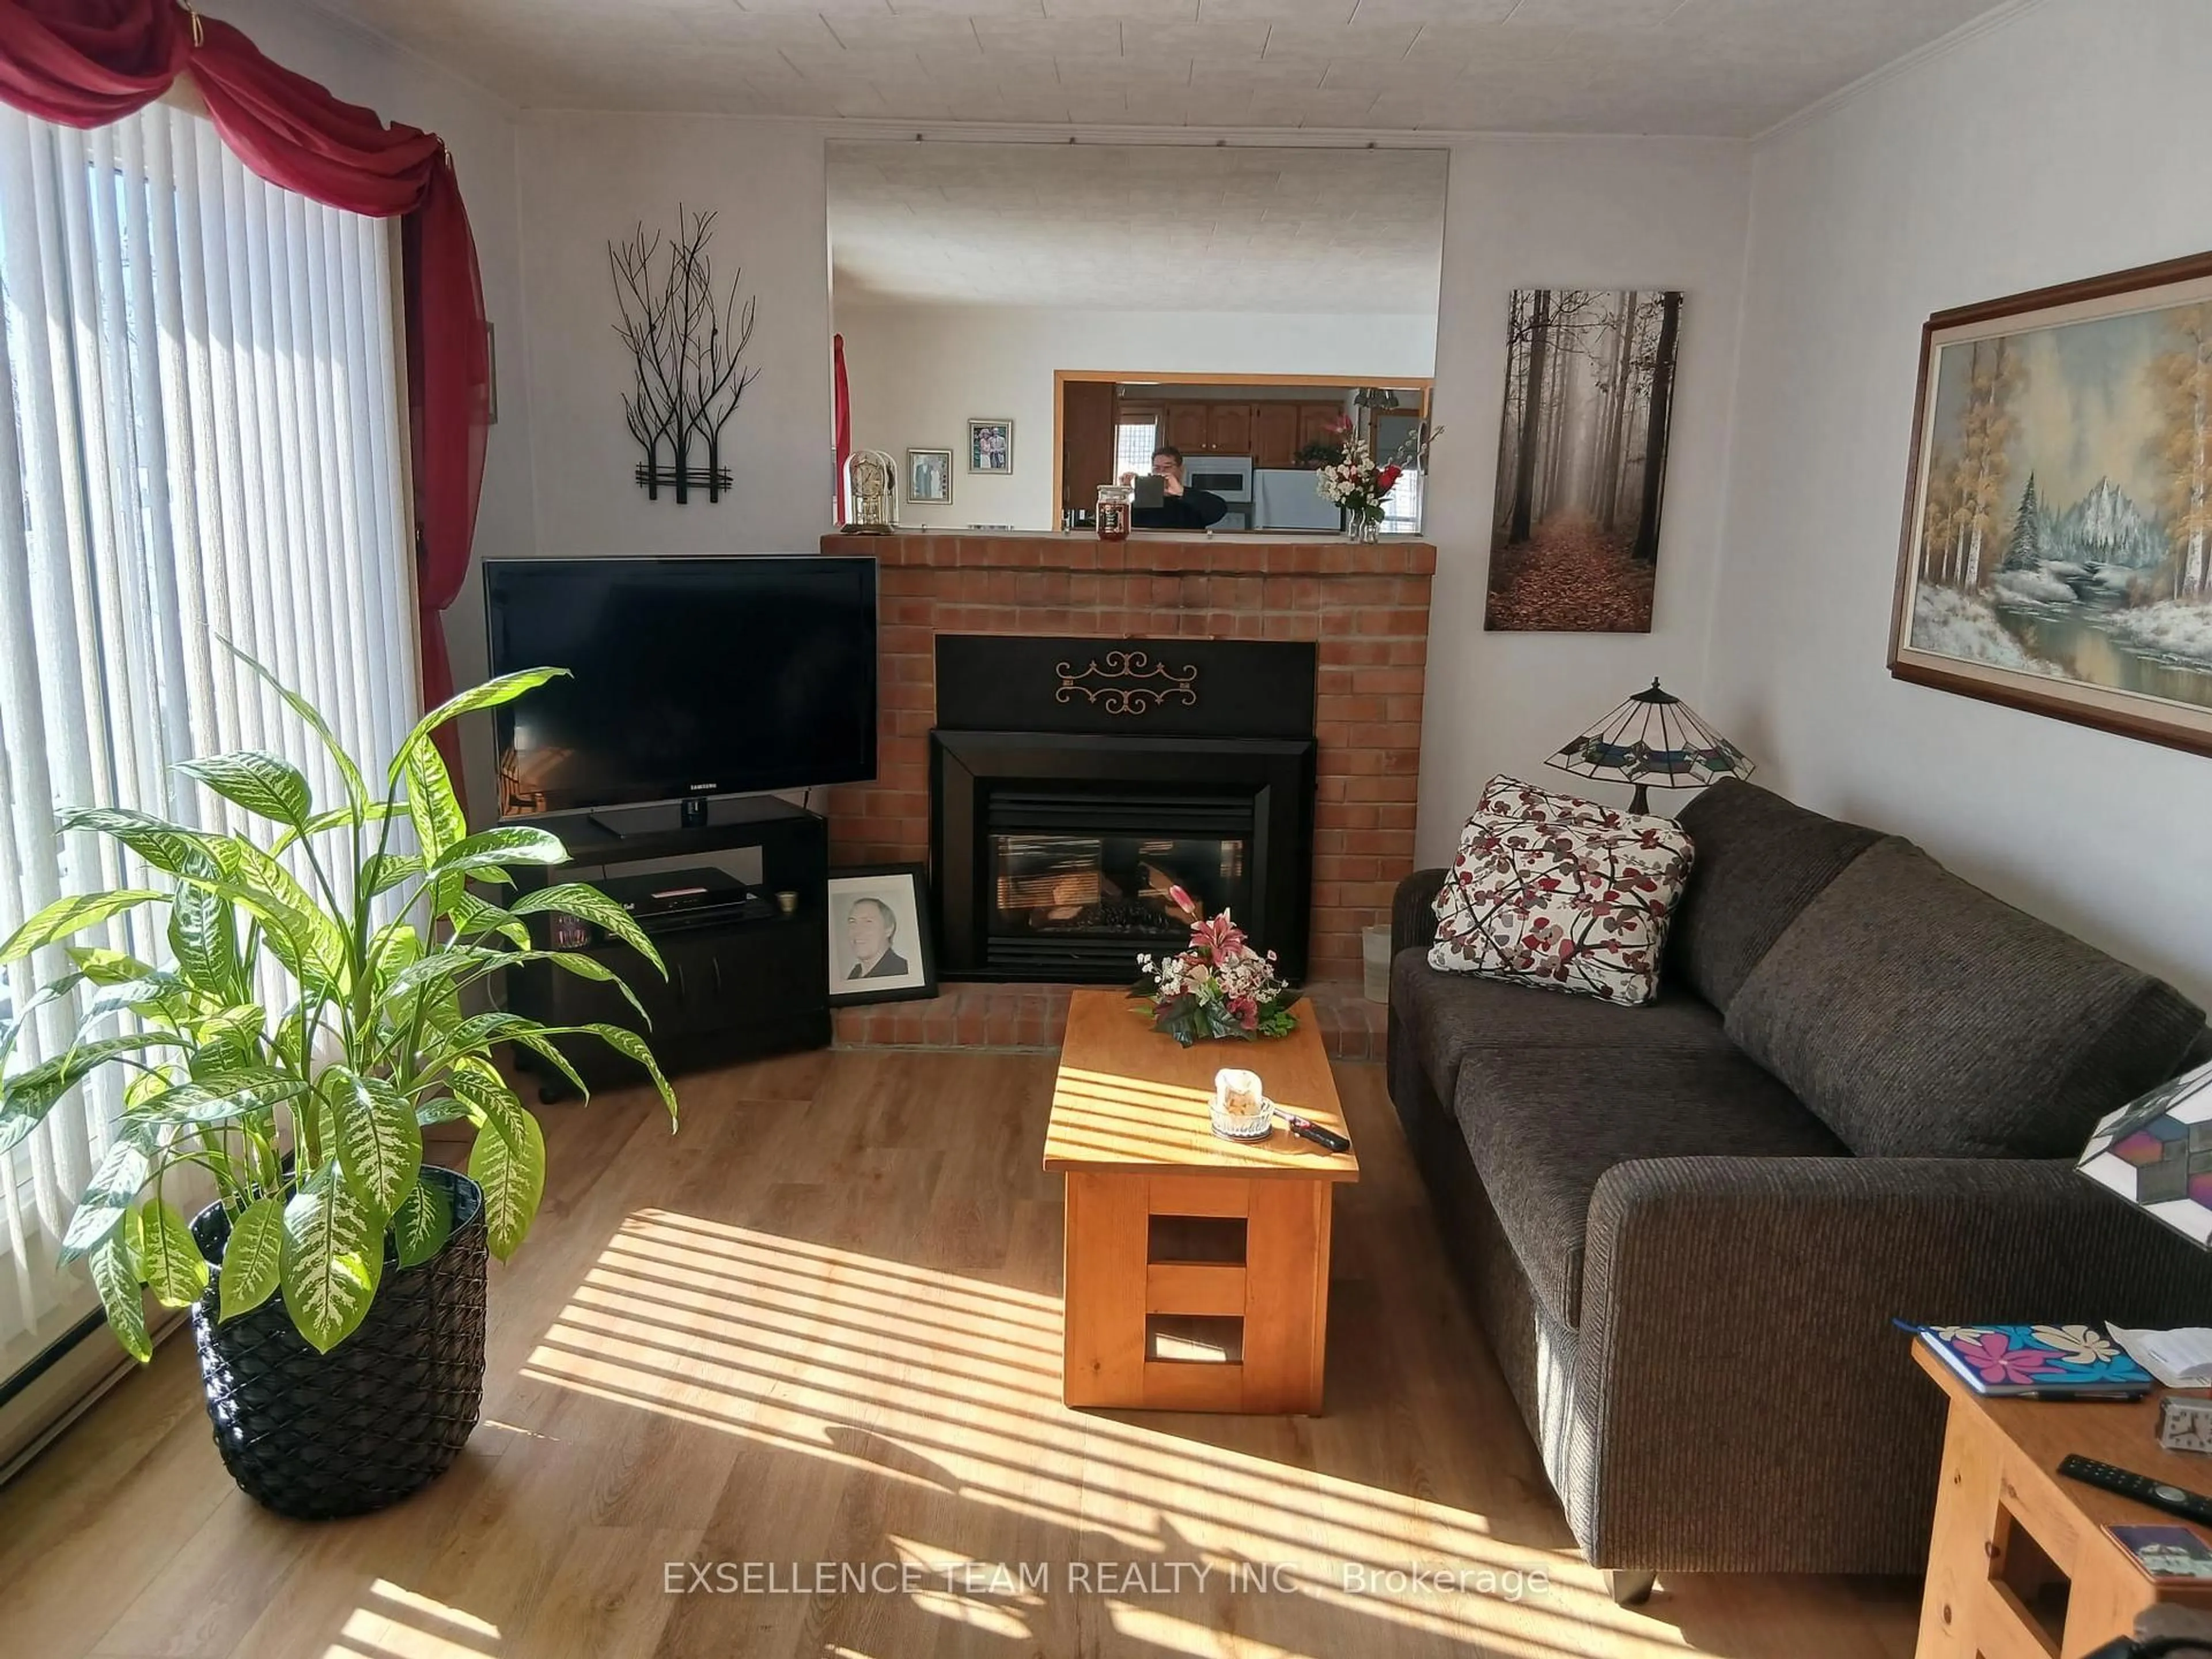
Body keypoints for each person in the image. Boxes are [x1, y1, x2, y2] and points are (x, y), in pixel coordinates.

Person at [1120, 446, 1226, 531]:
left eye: (1168, 467)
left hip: (1187, 553)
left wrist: (1181, 492)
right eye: (1157, 468)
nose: (1161, 472)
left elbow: (1219, 509)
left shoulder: (1191, 499)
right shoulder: (1147, 500)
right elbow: (1120, 523)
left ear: (1181, 470)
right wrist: (1123, 494)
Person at [845, 895, 910, 980]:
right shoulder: (855, 973)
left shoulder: (902, 972)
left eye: (868, 922)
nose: (857, 931)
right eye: (853, 922)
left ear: (889, 930)